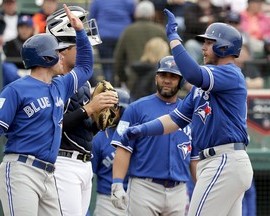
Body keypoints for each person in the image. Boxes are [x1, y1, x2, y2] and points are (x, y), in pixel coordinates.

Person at [120, 9, 254, 216]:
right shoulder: (202, 89)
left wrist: (173, 39)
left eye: (209, 43)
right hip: (222, 162)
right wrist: (142, 129)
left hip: (225, 160)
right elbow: (174, 120)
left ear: (224, 46)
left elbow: (191, 73)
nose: (204, 47)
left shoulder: (231, 73)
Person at [0, 4, 94, 215]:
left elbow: (86, 67)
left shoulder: (60, 86)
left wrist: (80, 32)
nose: (62, 56)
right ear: (46, 57)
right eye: (57, 52)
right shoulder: (15, 90)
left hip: (48, 173)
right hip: (21, 169)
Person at [45, 6, 118, 216]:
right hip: (62, 161)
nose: (87, 50)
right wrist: (88, 109)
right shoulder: (52, 81)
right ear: (62, 49)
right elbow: (52, 125)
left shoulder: (83, 83)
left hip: (83, 163)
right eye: (80, 45)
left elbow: (83, 130)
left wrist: (99, 120)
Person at [111, 56, 197, 215]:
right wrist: (117, 183)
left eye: (173, 77)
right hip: (145, 188)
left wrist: (200, 189)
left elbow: (195, 157)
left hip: (179, 190)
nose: (167, 80)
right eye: (164, 75)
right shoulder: (136, 108)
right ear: (156, 77)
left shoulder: (189, 112)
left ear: (181, 81)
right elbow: (123, 148)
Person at [91, 88, 131, 216]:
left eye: (115, 108)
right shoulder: (99, 138)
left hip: (134, 197)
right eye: (109, 107)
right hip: (107, 201)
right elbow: (89, 175)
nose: (111, 112)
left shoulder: (136, 135)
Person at [114, 0, 167, 91]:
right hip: (158, 81)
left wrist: (123, 78)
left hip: (133, 80)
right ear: (152, 14)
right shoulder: (161, 31)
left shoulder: (128, 31)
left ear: (136, 14)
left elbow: (119, 58)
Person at [89, 0, 135, 84]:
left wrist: (95, 36)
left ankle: (110, 88)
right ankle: (122, 85)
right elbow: (133, 17)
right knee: (123, 64)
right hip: (123, 35)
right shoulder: (128, 1)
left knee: (107, 66)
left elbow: (92, 20)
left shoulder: (98, 1)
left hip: (104, 36)